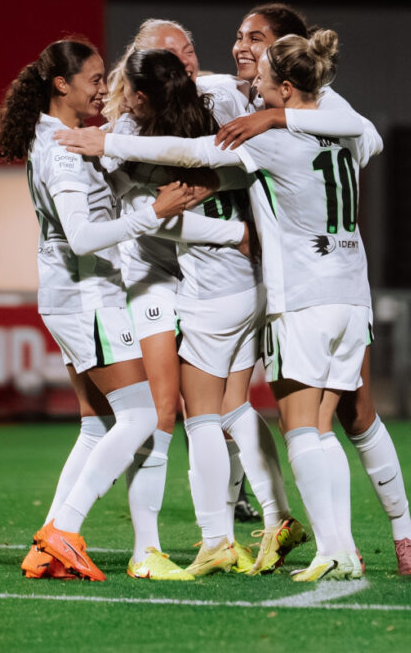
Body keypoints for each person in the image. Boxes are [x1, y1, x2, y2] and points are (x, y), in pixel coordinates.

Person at [56, 30, 369, 581]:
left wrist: (108, 146)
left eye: (265, 79)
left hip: (241, 289)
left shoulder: (244, 129)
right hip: (307, 288)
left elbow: (190, 159)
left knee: (198, 417)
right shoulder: (269, 116)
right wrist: (279, 119)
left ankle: (217, 540)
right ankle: (292, 525)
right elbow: (366, 131)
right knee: (254, 413)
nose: (253, 85)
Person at [0, 38, 226, 581]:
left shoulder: (69, 140)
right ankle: (63, 530)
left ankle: (48, 543)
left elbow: (117, 186)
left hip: (79, 294)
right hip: (85, 295)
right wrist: (156, 213)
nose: (104, 87)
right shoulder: (60, 150)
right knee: (142, 414)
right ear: (61, 85)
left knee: (99, 424)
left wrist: (165, 187)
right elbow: (81, 237)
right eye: (95, 79)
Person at [210, 3, 411, 576]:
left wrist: (279, 120)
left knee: (353, 415)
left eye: (255, 39)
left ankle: (396, 533)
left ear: (287, 53)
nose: (241, 48)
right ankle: (311, 530)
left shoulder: (320, 102)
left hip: (313, 283)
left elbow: (370, 136)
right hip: (277, 280)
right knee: (257, 409)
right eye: (238, 36)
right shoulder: (238, 93)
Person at [107, 47, 304, 577]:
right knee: (237, 406)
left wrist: (127, 177)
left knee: (201, 420)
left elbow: (163, 221)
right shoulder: (218, 124)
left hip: (213, 293)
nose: (121, 99)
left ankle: (215, 538)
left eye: (127, 91)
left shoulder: (163, 149)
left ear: (146, 97)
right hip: (256, 287)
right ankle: (280, 516)